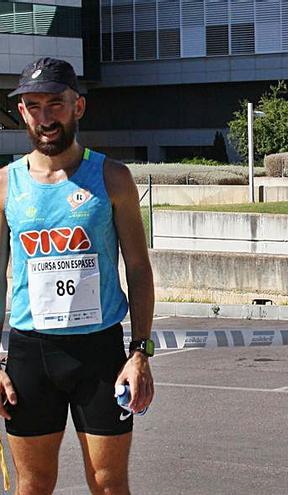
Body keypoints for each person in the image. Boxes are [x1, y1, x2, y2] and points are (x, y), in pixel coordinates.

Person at [0, 57, 156, 494]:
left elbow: (139, 271)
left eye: (56, 104)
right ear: (22, 112)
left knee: (108, 483)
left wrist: (140, 351)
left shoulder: (112, 177)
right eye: (33, 106)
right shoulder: (5, 184)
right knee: (34, 485)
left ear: (78, 107)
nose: (45, 117)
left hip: (99, 351)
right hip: (32, 354)